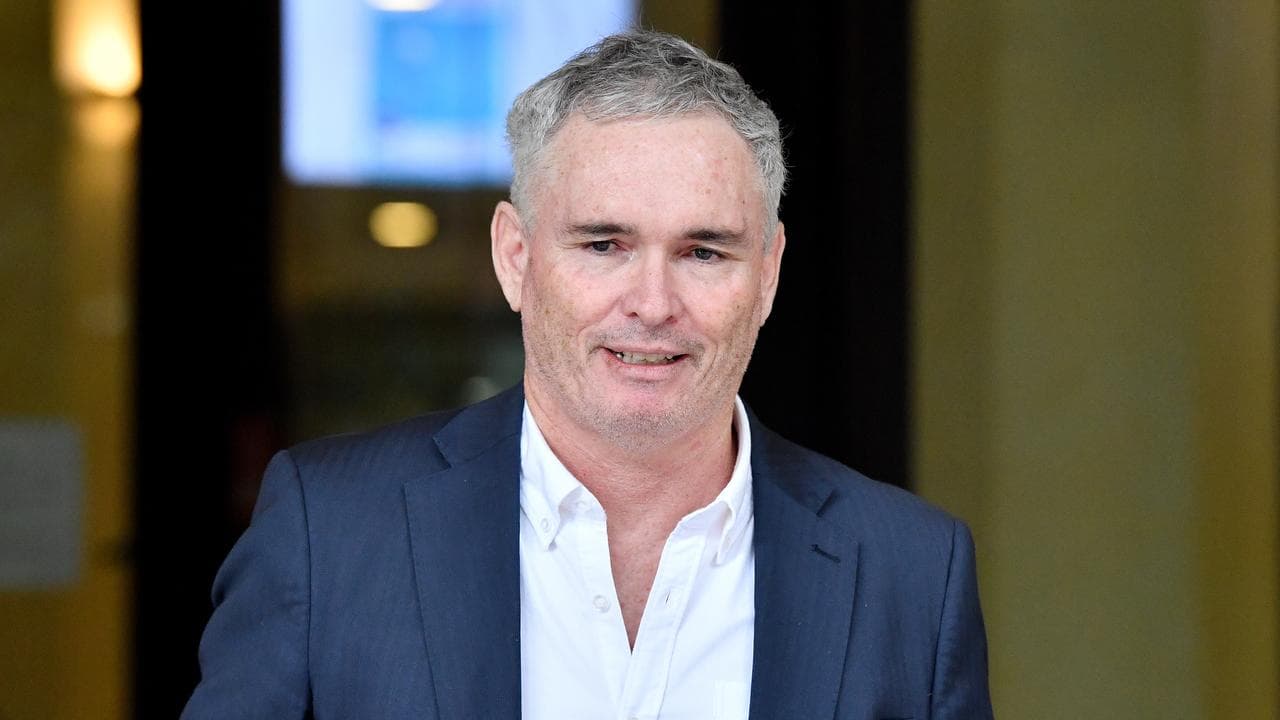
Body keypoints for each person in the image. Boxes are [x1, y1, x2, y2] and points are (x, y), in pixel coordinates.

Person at [182, 29, 993, 719]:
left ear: (770, 274)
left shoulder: (913, 573)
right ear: (515, 257)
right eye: (604, 245)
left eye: (704, 252)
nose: (653, 304)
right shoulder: (328, 533)